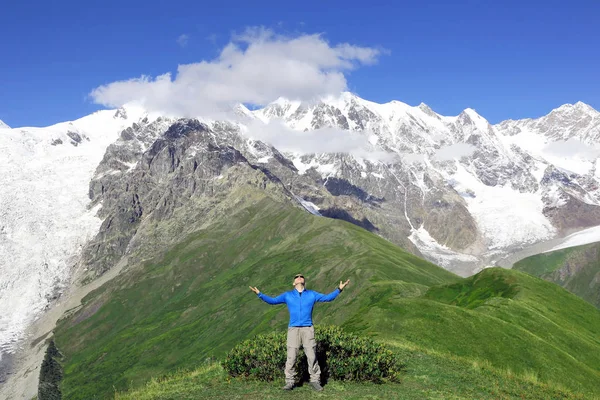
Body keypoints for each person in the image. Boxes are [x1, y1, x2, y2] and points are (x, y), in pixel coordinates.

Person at [249, 273, 350, 391]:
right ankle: (289, 381)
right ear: (294, 282)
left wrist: (339, 289)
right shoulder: (288, 295)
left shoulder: (312, 294)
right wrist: (259, 294)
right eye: (296, 277)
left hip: (308, 328)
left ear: (304, 281)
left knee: (311, 355)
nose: (299, 277)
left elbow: (328, 298)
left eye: (301, 276)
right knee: (291, 356)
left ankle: (315, 380)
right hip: (293, 329)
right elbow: (272, 301)